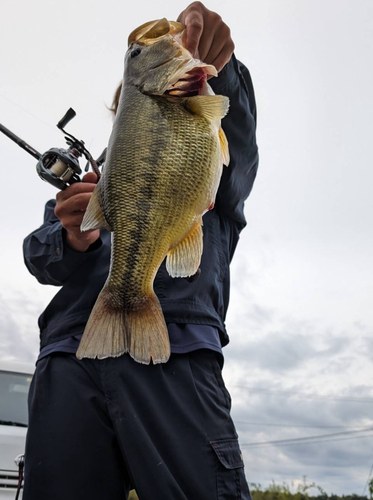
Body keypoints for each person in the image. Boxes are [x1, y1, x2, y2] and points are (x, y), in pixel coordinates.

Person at [22, 2, 259, 499]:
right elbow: (39, 257)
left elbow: (233, 122)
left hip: (175, 345)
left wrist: (224, 68)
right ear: (120, 119)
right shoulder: (87, 190)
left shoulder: (216, 152)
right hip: (69, 351)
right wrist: (71, 234)